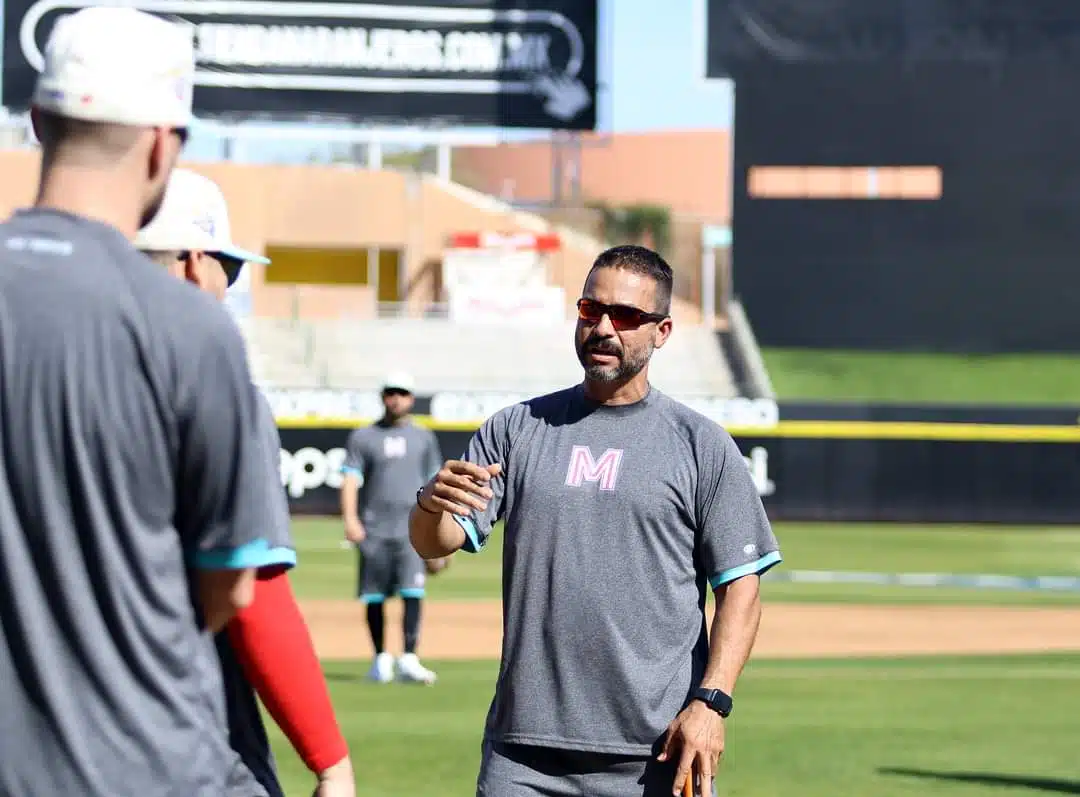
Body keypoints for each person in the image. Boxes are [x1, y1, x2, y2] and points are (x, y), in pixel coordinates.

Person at [0, 8, 275, 797]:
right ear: (165, 142)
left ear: (39, 121)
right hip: (142, 764)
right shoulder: (193, 329)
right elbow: (228, 586)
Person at [409, 245, 782, 797]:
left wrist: (713, 702)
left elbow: (741, 589)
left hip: (657, 755)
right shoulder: (517, 428)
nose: (604, 327)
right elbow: (433, 544)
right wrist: (429, 505)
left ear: (662, 332)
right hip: (522, 756)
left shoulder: (702, 446)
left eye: (627, 316)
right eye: (591, 310)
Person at [134, 168, 356, 797]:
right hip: (181, 741)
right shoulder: (216, 387)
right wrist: (330, 761)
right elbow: (252, 592)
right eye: (226, 273)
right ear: (193, 263)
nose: (228, 290)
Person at [340, 372, 447, 685]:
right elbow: (350, 479)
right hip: (374, 528)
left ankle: (409, 658)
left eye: (401, 393)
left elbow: (435, 484)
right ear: (382, 396)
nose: (396, 398)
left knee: (412, 591)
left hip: (412, 528)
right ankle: (380, 659)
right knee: (373, 596)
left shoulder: (424, 438)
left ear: (411, 398)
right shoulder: (363, 437)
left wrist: (439, 532)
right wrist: (350, 518)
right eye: (390, 392)